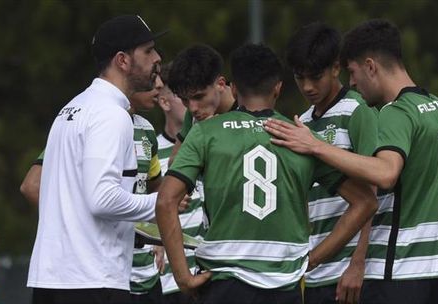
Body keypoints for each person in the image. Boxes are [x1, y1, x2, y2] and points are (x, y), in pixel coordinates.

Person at [264, 19, 438, 304]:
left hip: (396, 267)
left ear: (370, 66)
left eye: (353, 72)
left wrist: (316, 147)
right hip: (434, 267)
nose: (352, 82)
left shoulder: (395, 112)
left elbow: (386, 174)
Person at [156, 44, 377, 304]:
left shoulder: (207, 132)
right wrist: (313, 258)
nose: (192, 108)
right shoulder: (300, 137)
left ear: (232, 87)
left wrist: (182, 277)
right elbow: (366, 202)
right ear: (278, 88)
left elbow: (164, 200)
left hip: (223, 281)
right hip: (284, 283)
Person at [27, 15, 166, 304]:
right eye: (148, 50)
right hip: (91, 281)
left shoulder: (73, 108)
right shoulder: (110, 115)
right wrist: (161, 204)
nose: (158, 58)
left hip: (55, 279)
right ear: (122, 61)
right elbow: (101, 199)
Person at [285, 22, 394, 304]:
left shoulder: (357, 110)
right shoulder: (303, 121)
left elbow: (373, 192)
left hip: (349, 274)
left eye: (316, 76)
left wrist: (358, 264)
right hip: (313, 270)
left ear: (336, 68)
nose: (307, 87)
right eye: (300, 78)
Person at [156, 63, 202, 304]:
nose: (193, 105)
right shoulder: (150, 151)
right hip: (170, 283)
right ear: (165, 102)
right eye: (184, 98)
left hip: (207, 274)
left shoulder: (209, 141)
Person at [128, 76, 165, 303]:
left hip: (146, 272)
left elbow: (154, 188)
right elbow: (32, 186)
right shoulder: (93, 119)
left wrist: (156, 236)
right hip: (109, 273)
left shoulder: (146, 129)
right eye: (153, 76)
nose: (159, 84)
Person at [167, 44, 237, 165]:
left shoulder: (248, 108)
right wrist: (197, 137)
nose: (192, 108)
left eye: (199, 97)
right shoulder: (195, 113)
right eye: (184, 100)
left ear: (220, 84)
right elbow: (173, 164)